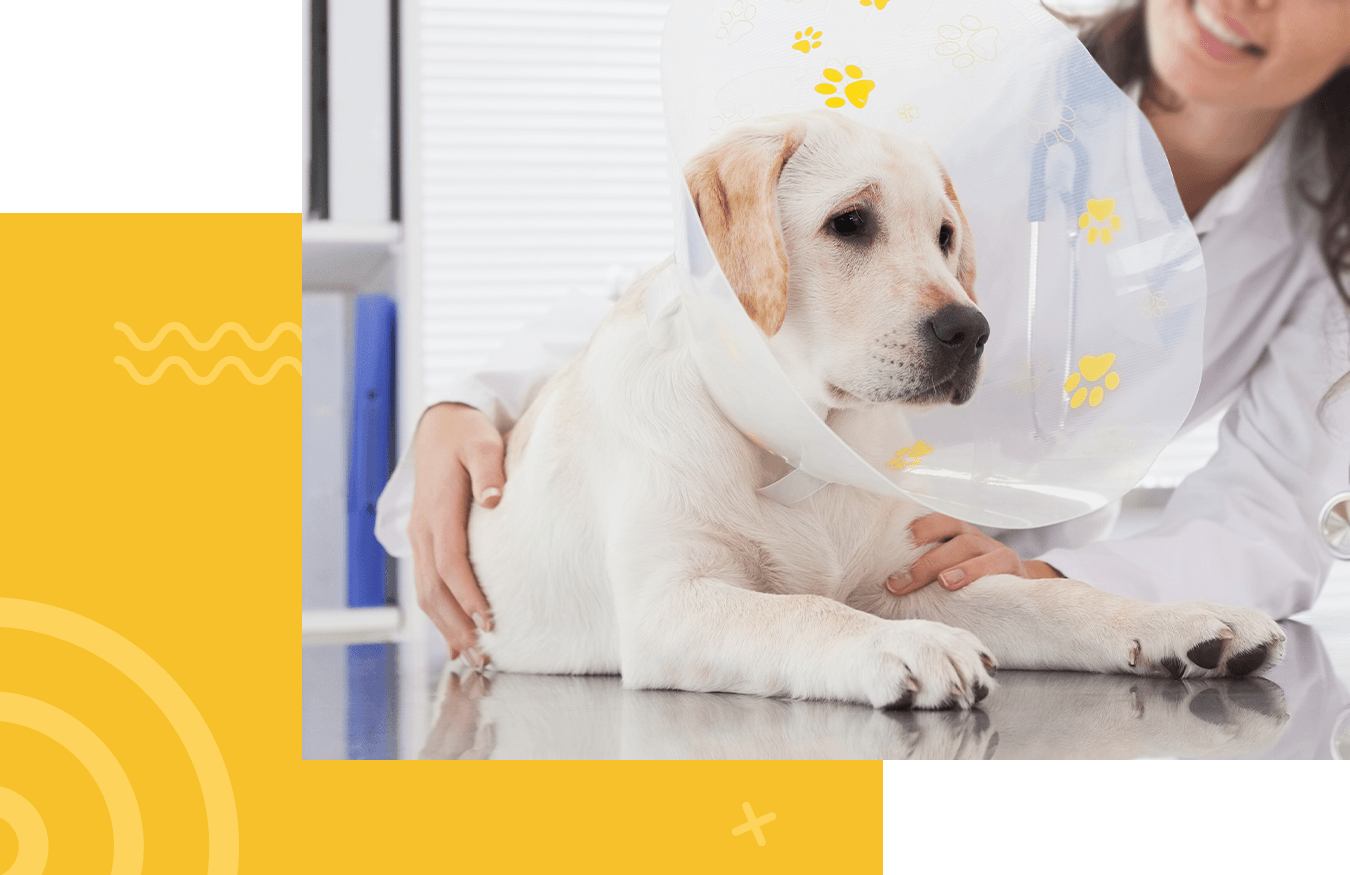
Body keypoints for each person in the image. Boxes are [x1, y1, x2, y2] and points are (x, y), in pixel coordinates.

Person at [381, 0, 1350, 663]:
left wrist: (1063, 577)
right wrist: (475, 396)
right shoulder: (996, 76)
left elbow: (1273, 505)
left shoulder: (1330, 236)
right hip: (774, 553)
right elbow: (717, 269)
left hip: (1002, 610)